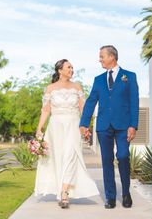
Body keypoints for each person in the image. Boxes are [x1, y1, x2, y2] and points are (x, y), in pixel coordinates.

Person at [80, 45, 139, 209]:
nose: (100, 59)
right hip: (104, 126)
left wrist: (133, 125)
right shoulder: (98, 79)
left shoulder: (130, 77)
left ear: (112, 57)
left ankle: (126, 193)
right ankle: (110, 197)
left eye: (101, 56)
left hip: (123, 126)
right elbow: (91, 101)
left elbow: (134, 102)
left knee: (122, 156)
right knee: (106, 161)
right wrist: (84, 123)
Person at [34, 59, 99, 209]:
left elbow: (83, 108)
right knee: (58, 158)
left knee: (71, 155)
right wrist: (39, 129)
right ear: (60, 70)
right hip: (55, 126)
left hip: (73, 125)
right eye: (69, 67)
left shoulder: (77, 87)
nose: (72, 69)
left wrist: (85, 126)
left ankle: (64, 192)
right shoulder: (50, 88)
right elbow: (45, 110)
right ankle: (60, 188)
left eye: (72, 67)